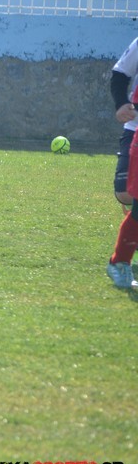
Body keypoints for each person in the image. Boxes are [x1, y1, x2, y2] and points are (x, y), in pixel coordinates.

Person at [105, 39, 138, 288]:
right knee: (126, 193)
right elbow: (119, 74)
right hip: (135, 129)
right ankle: (119, 261)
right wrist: (121, 105)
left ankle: (120, 261)